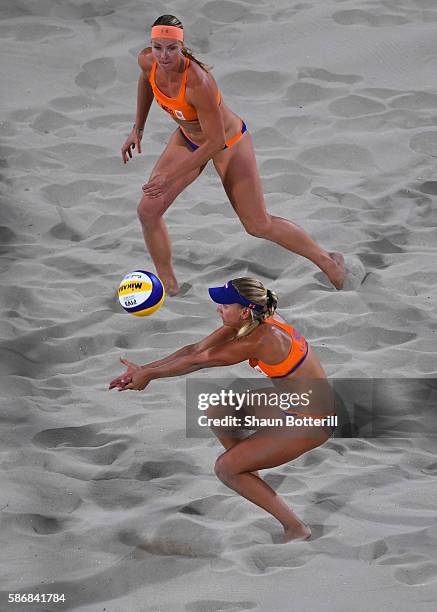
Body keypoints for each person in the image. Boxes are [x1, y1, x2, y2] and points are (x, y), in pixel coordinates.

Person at [121, 14, 345, 296]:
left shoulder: (199, 83)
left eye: (171, 48)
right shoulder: (147, 61)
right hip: (189, 139)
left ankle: (329, 262)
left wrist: (169, 178)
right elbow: (146, 82)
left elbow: (215, 143)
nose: (163, 55)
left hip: (228, 144)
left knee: (257, 224)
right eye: (157, 47)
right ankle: (169, 285)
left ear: (182, 47)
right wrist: (137, 128)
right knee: (148, 211)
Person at [109, 277, 336, 542]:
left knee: (225, 469)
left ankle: (295, 528)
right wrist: (144, 369)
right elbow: (194, 349)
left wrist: (150, 376)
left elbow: (198, 362)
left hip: (313, 419)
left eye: (225, 305)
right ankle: (250, 476)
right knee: (218, 412)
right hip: (297, 401)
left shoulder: (262, 339)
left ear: (244, 310)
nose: (218, 308)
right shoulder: (252, 321)